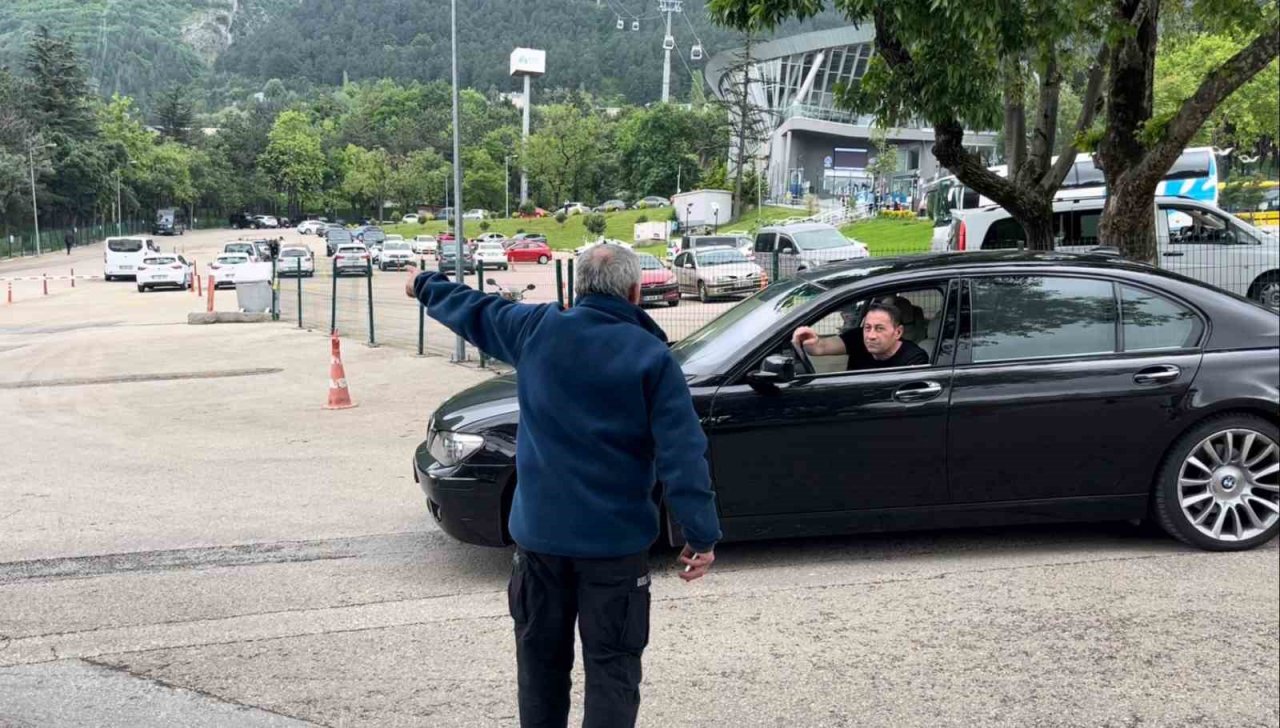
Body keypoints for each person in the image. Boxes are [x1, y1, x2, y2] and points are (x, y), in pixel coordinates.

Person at [404, 244, 721, 728]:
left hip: (539, 545)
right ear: (635, 292)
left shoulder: (536, 330)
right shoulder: (652, 357)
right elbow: (682, 452)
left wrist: (422, 284)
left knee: (540, 669)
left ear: (578, 289)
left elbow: (473, 310)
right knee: (613, 668)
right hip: (614, 550)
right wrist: (700, 534)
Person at [792, 301, 929, 371]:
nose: (871, 336)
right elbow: (820, 347)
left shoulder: (914, 358)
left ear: (898, 332)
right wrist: (809, 341)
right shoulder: (858, 338)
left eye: (879, 329)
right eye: (867, 328)